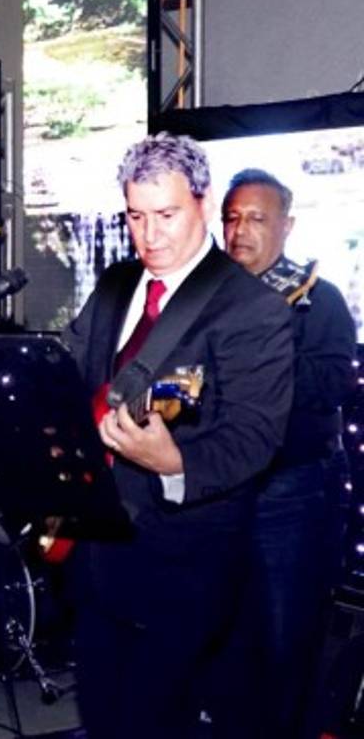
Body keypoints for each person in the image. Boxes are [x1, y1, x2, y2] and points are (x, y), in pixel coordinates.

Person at [64, 133, 294, 739]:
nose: (150, 234)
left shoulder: (251, 308)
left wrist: (174, 463)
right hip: (96, 557)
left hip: (184, 565)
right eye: (136, 216)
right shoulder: (116, 285)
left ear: (202, 202)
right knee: (103, 720)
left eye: (166, 215)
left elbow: (253, 437)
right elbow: (73, 375)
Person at [217, 168, 356, 737]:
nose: (240, 231)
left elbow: (331, 387)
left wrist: (259, 361)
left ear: (287, 226)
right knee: (227, 642)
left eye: (256, 218)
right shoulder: (205, 298)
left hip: (291, 492)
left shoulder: (317, 301)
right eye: (232, 218)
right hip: (218, 491)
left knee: (286, 642)